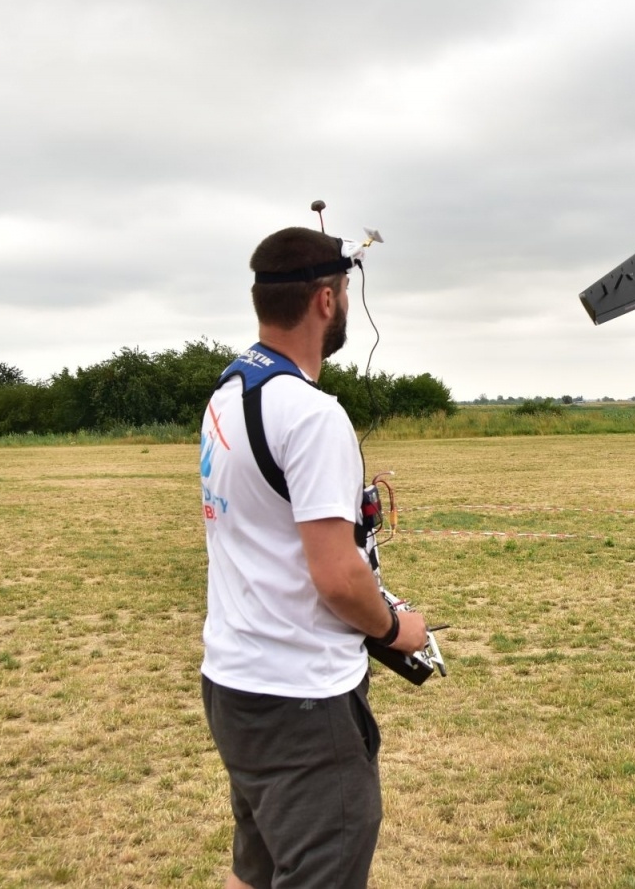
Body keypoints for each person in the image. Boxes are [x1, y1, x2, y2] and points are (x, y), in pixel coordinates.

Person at [199, 226, 428, 889]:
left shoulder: (229, 395)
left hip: (236, 684)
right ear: (326, 301)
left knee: (260, 865)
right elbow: (335, 576)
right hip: (300, 702)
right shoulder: (311, 414)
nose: (349, 307)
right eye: (347, 293)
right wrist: (395, 628)